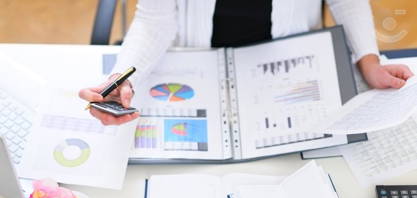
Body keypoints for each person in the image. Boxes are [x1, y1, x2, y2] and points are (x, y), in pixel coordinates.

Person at [79, 0, 414, 126]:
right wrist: (122, 77)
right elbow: (155, 20)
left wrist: (368, 60)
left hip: (287, 68)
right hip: (197, 64)